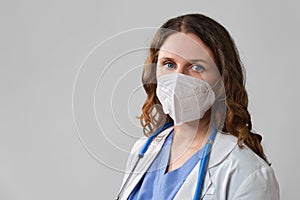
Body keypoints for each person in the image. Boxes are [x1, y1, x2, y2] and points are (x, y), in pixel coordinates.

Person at [116, 13, 280, 200]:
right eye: (169, 64)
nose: (178, 78)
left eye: (196, 67)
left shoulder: (245, 171)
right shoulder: (143, 151)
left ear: (222, 83)